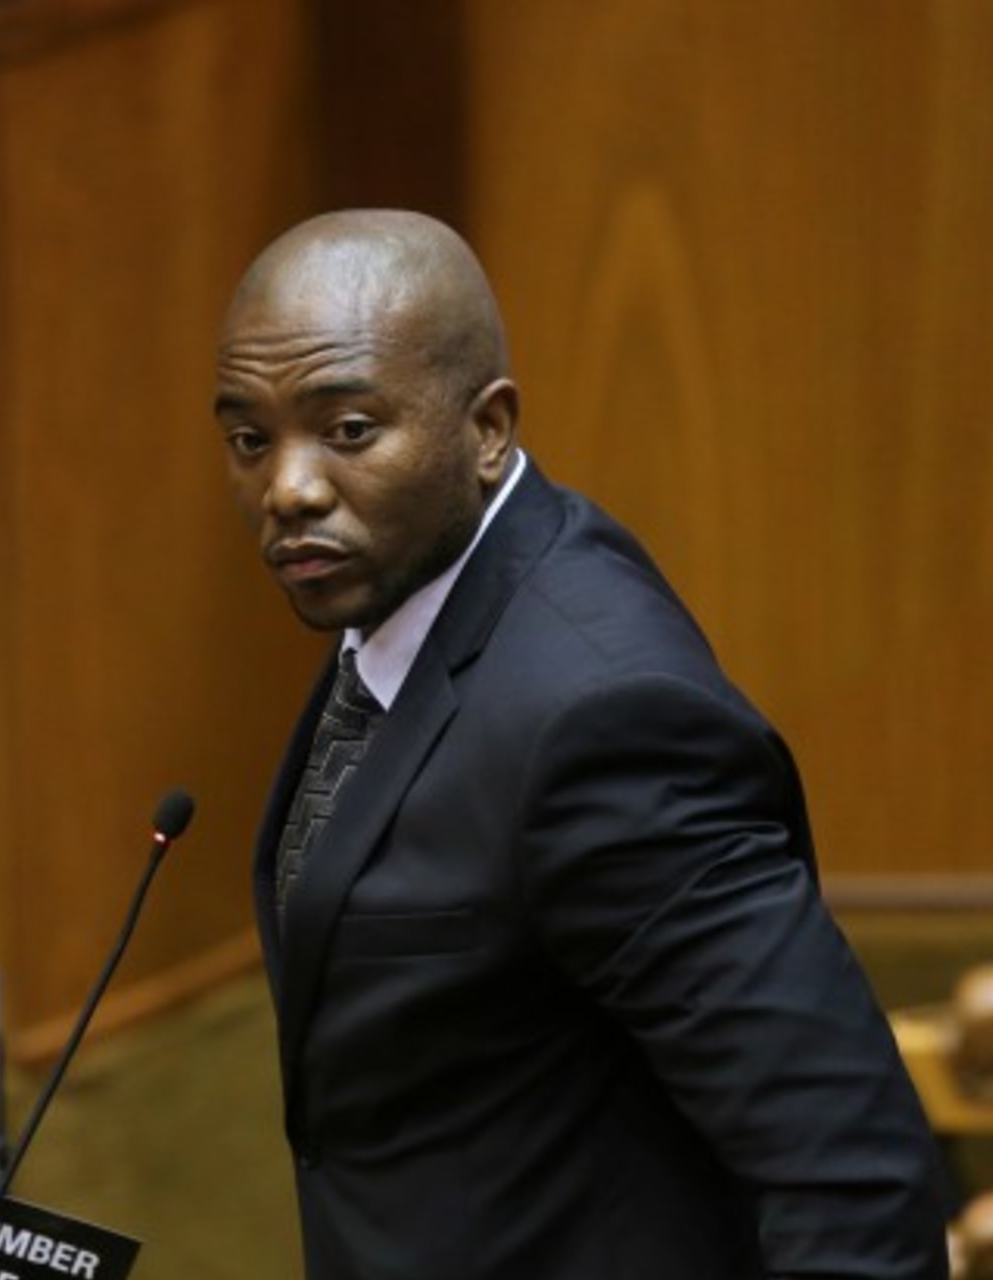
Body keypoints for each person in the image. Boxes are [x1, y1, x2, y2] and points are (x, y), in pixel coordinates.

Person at [214, 209, 949, 1280]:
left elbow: (852, 1169)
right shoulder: (408, 595)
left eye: (351, 430)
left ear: (487, 429)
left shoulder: (600, 717)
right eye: (250, 439)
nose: (290, 488)